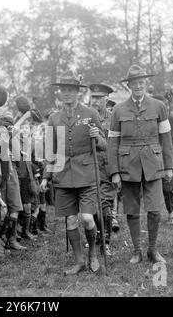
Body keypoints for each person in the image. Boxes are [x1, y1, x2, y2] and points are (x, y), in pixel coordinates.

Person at [40, 71, 107, 275]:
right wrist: (45, 177)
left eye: (71, 90)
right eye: (64, 90)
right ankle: (79, 261)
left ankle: (93, 254)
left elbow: (104, 145)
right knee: (70, 220)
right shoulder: (54, 118)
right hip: (62, 176)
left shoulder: (90, 114)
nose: (67, 94)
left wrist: (96, 137)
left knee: (87, 218)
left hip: (87, 174)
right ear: (60, 93)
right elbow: (51, 151)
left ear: (78, 92)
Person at [107, 65, 173, 264]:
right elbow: (113, 143)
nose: (138, 86)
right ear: (129, 86)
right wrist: (115, 172)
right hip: (128, 166)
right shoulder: (118, 110)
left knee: (154, 210)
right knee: (132, 210)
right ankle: (137, 250)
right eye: (134, 83)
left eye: (141, 83)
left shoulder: (159, 106)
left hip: (153, 164)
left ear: (146, 84)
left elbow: (166, 138)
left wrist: (168, 166)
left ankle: (152, 250)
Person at [89, 83, 120, 256]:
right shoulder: (86, 117)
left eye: (99, 98)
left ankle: (105, 242)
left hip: (108, 166)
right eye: (93, 97)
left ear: (106, 99)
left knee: (106, 205)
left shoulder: (113, 119)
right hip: (90, 166)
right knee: (93, 205)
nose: (95, 101)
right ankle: (96, 237)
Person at [152, 94, 173, 224]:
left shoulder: (172, 120)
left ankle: (171, 211)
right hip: (153, 159)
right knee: (154, 188)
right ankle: (155, 214)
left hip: (168, 159)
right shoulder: (149, 120)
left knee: (168, 189)